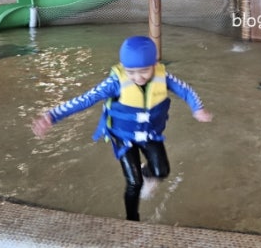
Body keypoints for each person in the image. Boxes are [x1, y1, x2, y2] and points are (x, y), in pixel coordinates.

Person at [31, 35, 212, 221]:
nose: (138, 77)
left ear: (154, 63)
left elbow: (186, 90)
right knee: (134, 183)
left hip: (149, 134)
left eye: (144, 71)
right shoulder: (115, 82)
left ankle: (146, 172)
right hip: (122, 137)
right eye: (131, 72)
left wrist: (197, 108)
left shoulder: (163, 77)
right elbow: (86, 99)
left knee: (161, 171)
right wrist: (52, 115)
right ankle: (132, 220)